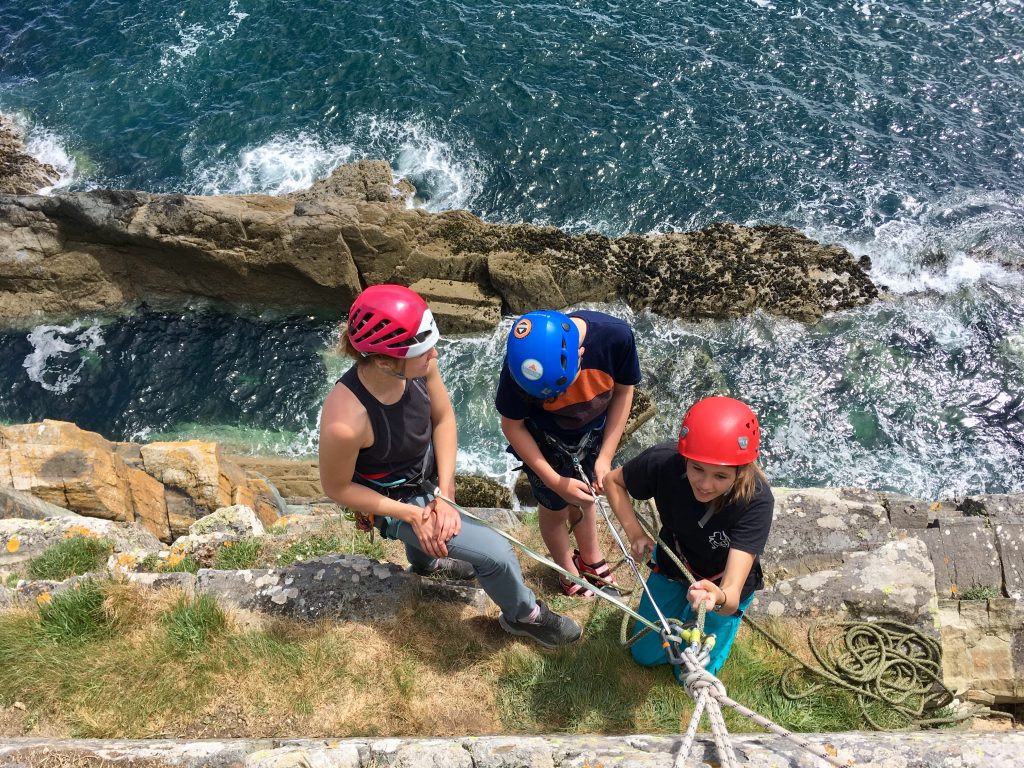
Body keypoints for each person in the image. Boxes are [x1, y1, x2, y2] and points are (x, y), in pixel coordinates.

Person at [318, 284, 581, 648]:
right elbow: (338, 488)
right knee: (497, 555)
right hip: (391, 499)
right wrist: (411, 516)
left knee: (440, 532)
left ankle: (427, 565)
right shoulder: (345, 421)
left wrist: (445, 495)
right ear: (384, 362)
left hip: (424, 478)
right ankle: (524, 615)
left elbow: (442, 418)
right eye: (423, 351)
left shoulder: (419, 366)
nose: (435, 354)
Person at [603, 396, 773, 675]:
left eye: (720, 476)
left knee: (692, 674)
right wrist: (635, 532)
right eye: (697, 469)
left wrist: (716, 597)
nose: (705, 485)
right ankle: (680, 612)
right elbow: (613, 481)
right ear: (685, 458)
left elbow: (730, 595)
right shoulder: (664, 463)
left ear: (740, 472)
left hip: (720, 581)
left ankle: (694, 622)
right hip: (675, 563)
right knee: (644, 654)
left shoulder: (755, 500)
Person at [496, 309, 641, 598]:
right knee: (554, 510)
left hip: (591, 437)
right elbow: (513, 425)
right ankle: (566, 568)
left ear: (580, 354)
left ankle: (591, 558)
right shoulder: (520, 365)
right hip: (544, 443)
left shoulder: (616, 338)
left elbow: (625, 391)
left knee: (586, 499)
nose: (554, 400)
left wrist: (605, 457)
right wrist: (554, 480)